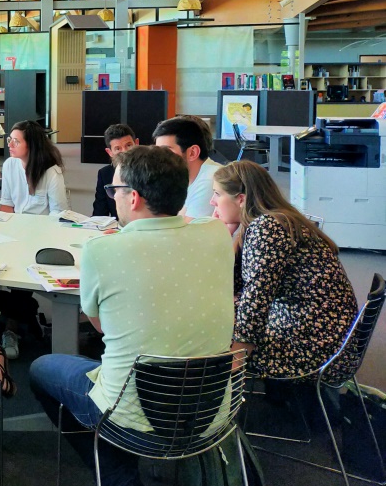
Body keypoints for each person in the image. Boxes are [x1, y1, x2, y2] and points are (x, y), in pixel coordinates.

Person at [30, 146, 233, 486]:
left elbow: (100, 326)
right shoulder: (216, 235)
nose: (113, 198)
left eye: (114, 190)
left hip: (131, 414)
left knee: (41, 369)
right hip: (211, 408)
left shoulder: (102, 249)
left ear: (134, 197)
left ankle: (115, 473)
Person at [211, 161, 359, 382]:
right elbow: (236, 284)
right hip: (328, 333)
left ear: (241, 199)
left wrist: (237, 356)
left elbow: (256, 299)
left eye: (217, 194)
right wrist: (229, 234)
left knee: (209, 337)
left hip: (316, 345)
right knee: (220, 316)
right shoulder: (272, 220)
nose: (212, 202)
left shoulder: (267, 228)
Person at [153, 115, 222, 220]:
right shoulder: (179, 179)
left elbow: (183, 232)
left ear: (192, 153)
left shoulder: (212, 178)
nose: (158, 158)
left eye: (166, 151)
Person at [0, 120, 69, 216]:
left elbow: (58, 212)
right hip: (17, 225)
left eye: (15, 142)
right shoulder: (9, 165)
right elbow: (6, 204)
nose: (9, 145)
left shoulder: (51, 172)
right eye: (9, 139)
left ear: (31, 145)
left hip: (42, 226)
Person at [92, 123, 137, 218]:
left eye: (129, 145)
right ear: (110, 152)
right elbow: (99, 214)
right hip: (117, 229)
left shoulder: (151, 169)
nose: (125, 151)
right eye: (118, 149)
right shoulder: (105, 174)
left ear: (136, 143)